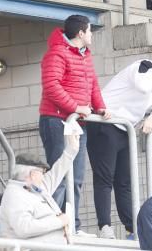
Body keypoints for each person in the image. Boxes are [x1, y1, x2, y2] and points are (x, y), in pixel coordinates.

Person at [92, 48, 152, 239]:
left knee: (124, 180)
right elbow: (143, 86)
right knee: (104, 178)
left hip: (125, 129)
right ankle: (105, 226)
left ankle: (131, 226)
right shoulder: (144, 67)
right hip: (106, 123)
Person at [37, 14, 107, 232]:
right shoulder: (56, 54)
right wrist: (75, 108)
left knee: (75, 177)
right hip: (57, 121)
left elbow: (93, 84)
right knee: (59, 175)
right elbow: (51, 86)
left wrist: (101, 106)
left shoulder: (85, 55)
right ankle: (52, 224)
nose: (91, 35)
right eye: (89, 30)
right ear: (81, 33)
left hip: (76, 123)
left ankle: (72, 225)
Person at [0, 138, 78, 244]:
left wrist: (72, 149)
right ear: (32, 174)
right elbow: (24, 228)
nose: (44, 175)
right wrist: (58, 221)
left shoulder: (38, 187)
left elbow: (58, 171)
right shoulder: (14, 194)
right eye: (42, 172)